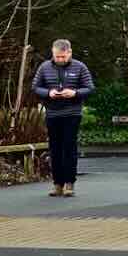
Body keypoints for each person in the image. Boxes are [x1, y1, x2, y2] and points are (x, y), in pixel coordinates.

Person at [32, 39, 94, 197]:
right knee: (55, 149)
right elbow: (35, 87)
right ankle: (57, 184)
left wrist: (75, 93)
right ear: (53, 53)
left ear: (69, 53)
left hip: (72, 113)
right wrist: (48, 93)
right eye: (57, 56)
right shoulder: (44, 67)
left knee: (69, 148)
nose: (60, 59)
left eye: (63, 57)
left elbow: (89, 88)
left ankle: (69, 183)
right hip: (52, 113)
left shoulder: (80, 67)